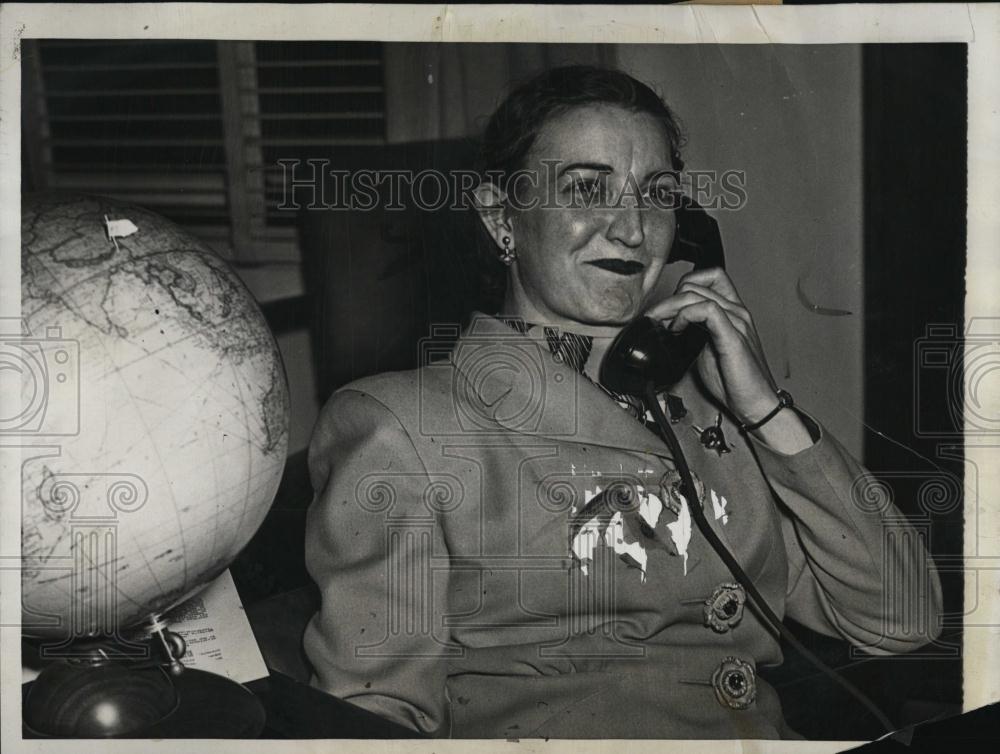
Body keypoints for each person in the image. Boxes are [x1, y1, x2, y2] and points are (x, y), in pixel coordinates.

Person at [302, 65, 942, 739]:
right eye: (586, 188)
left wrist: (764, 410)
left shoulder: (715, 411)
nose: (633, 230)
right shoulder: (402, 425)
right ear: (501, 218)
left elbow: (901, 620)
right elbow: (375, 723)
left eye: (657, 195)